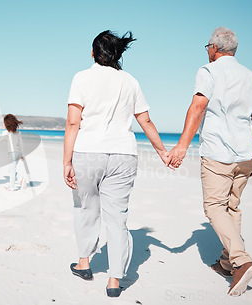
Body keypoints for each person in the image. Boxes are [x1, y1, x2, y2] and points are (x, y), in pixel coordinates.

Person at [63, 30, 170, 298]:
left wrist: (66, 160)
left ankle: (84, 263)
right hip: (124, 155)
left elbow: (73, 122)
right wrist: (162, 152)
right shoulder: (131, 81)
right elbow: (145, 120)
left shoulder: (81, 78)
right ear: (118, 55)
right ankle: (114, 280)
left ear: (92, 53)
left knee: (86, 208)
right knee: (117, 219)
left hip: (88, 151)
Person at [169, 26, 252, 297]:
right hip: (246, 154)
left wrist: (182, 146)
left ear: (213, 48)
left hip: (218, 153)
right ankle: (226, 264)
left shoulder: (208, 71)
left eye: (207, 47)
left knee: (214, 207)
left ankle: (240, 260)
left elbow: (198, 107)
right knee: (232, 207)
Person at [2, 114, 26, 191]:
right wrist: (22, 154)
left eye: (4, 123)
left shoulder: (6, 133)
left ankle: (12, 187)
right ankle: (19, 180)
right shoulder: (18, 133)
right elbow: (21, 144)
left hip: (12, 154)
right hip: (18, 153)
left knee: (12, 171)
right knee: (11, 169)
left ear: (7, 124)